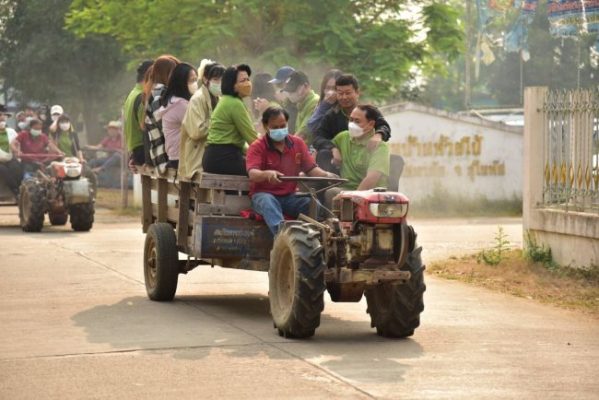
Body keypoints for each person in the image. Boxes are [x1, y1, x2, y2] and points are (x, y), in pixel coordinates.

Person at [246, 106, 336, 235]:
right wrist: (267, 174)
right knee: (268, 202)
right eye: (275, 127)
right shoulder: (257, 147)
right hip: (264, 195)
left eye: (282, 126)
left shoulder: (297, 143)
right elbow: (253, 174)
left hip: (289, 197)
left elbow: (311, 169)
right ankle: (283, 238)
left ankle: (314, 237)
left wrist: (327, 175)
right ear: (266, 126)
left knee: (313, 205)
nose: (279, 130)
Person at [313, 74, 391, 172]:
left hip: (365, 158)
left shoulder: (369, 111)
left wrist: (378, 135)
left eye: (348, 93)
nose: (344, 97)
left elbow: (384, 126)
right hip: (341, 161)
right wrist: (333, 148)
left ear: (357, 92)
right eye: (340, 93)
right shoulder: (332, 115)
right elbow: (318, 137)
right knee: (323, 154)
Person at [324, 104, 390, 209]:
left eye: (357, 121)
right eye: (351, 120)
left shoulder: (380, 147)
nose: (352, 124)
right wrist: (333, 149)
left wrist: (352, 198)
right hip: (345, 189)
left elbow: (371, 180)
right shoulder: (343, 137)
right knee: (329, 193)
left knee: (335, 195)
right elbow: (325, 143)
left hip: (371, 194)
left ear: (371, 124)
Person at [202, 64, 258, 176]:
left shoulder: (227, 100)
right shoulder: (234, 103)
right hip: (224, 158)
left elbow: (240, 141)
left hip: (213, 158)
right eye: (242, 81)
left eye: (248, 79)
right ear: (232, 84)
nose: (248, 83)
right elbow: (252, 138)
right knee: (262, 170)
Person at [179, 62, 225, 179]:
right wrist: (220, 123)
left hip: (212, 153)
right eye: (216, 79)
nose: (219, 83)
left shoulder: (219, 99)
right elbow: (197, 131)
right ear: (205, 79)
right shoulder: (197, 99)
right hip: (198, 157)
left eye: (222, 80)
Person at [143, 55, 180, 173]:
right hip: (164, 158)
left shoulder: (156, 92)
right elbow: (165, 127)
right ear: (165, 73)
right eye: (173, 72)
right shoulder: (159, 95)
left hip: (161, 157)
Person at [158, 62, 198, 170]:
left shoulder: (173, 100)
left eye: (196, 80)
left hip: (175, 157)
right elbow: (197, 129)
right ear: (181, 82)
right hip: (182, 158)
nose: (195, 84)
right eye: (191, 80)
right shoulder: (180, 104)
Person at [123, 59, 153, 169]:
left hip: (135, 150)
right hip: (143, 149)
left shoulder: (132, 94)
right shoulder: (142, 97)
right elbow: (145, 128)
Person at [281, 71, 319, 143]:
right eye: (288, 90)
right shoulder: (301, 103)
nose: (290, 94)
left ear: (306, 86)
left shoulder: (314, 103)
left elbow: (302, 133)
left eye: (293, 90)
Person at [306, 69, 342, 136]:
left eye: (335, 89)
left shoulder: (344, 109)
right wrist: (324, 105)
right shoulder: (321, 105)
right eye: (328, 88)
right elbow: (312, 127)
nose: (331, 92)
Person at [0, 107, 22, 197]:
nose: (2, 118)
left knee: (16, 167)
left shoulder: (11, 131)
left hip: (9, 158)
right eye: (0, 116)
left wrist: (18, 151)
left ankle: (20, 189)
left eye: (4, 116)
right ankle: (15, 190)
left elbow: (18, 143)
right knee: (4, 170)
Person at [268, 66, 298, 132]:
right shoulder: (287, 104)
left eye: (280, 85)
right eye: (277, 86)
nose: (278, 90)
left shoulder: (295, 106)